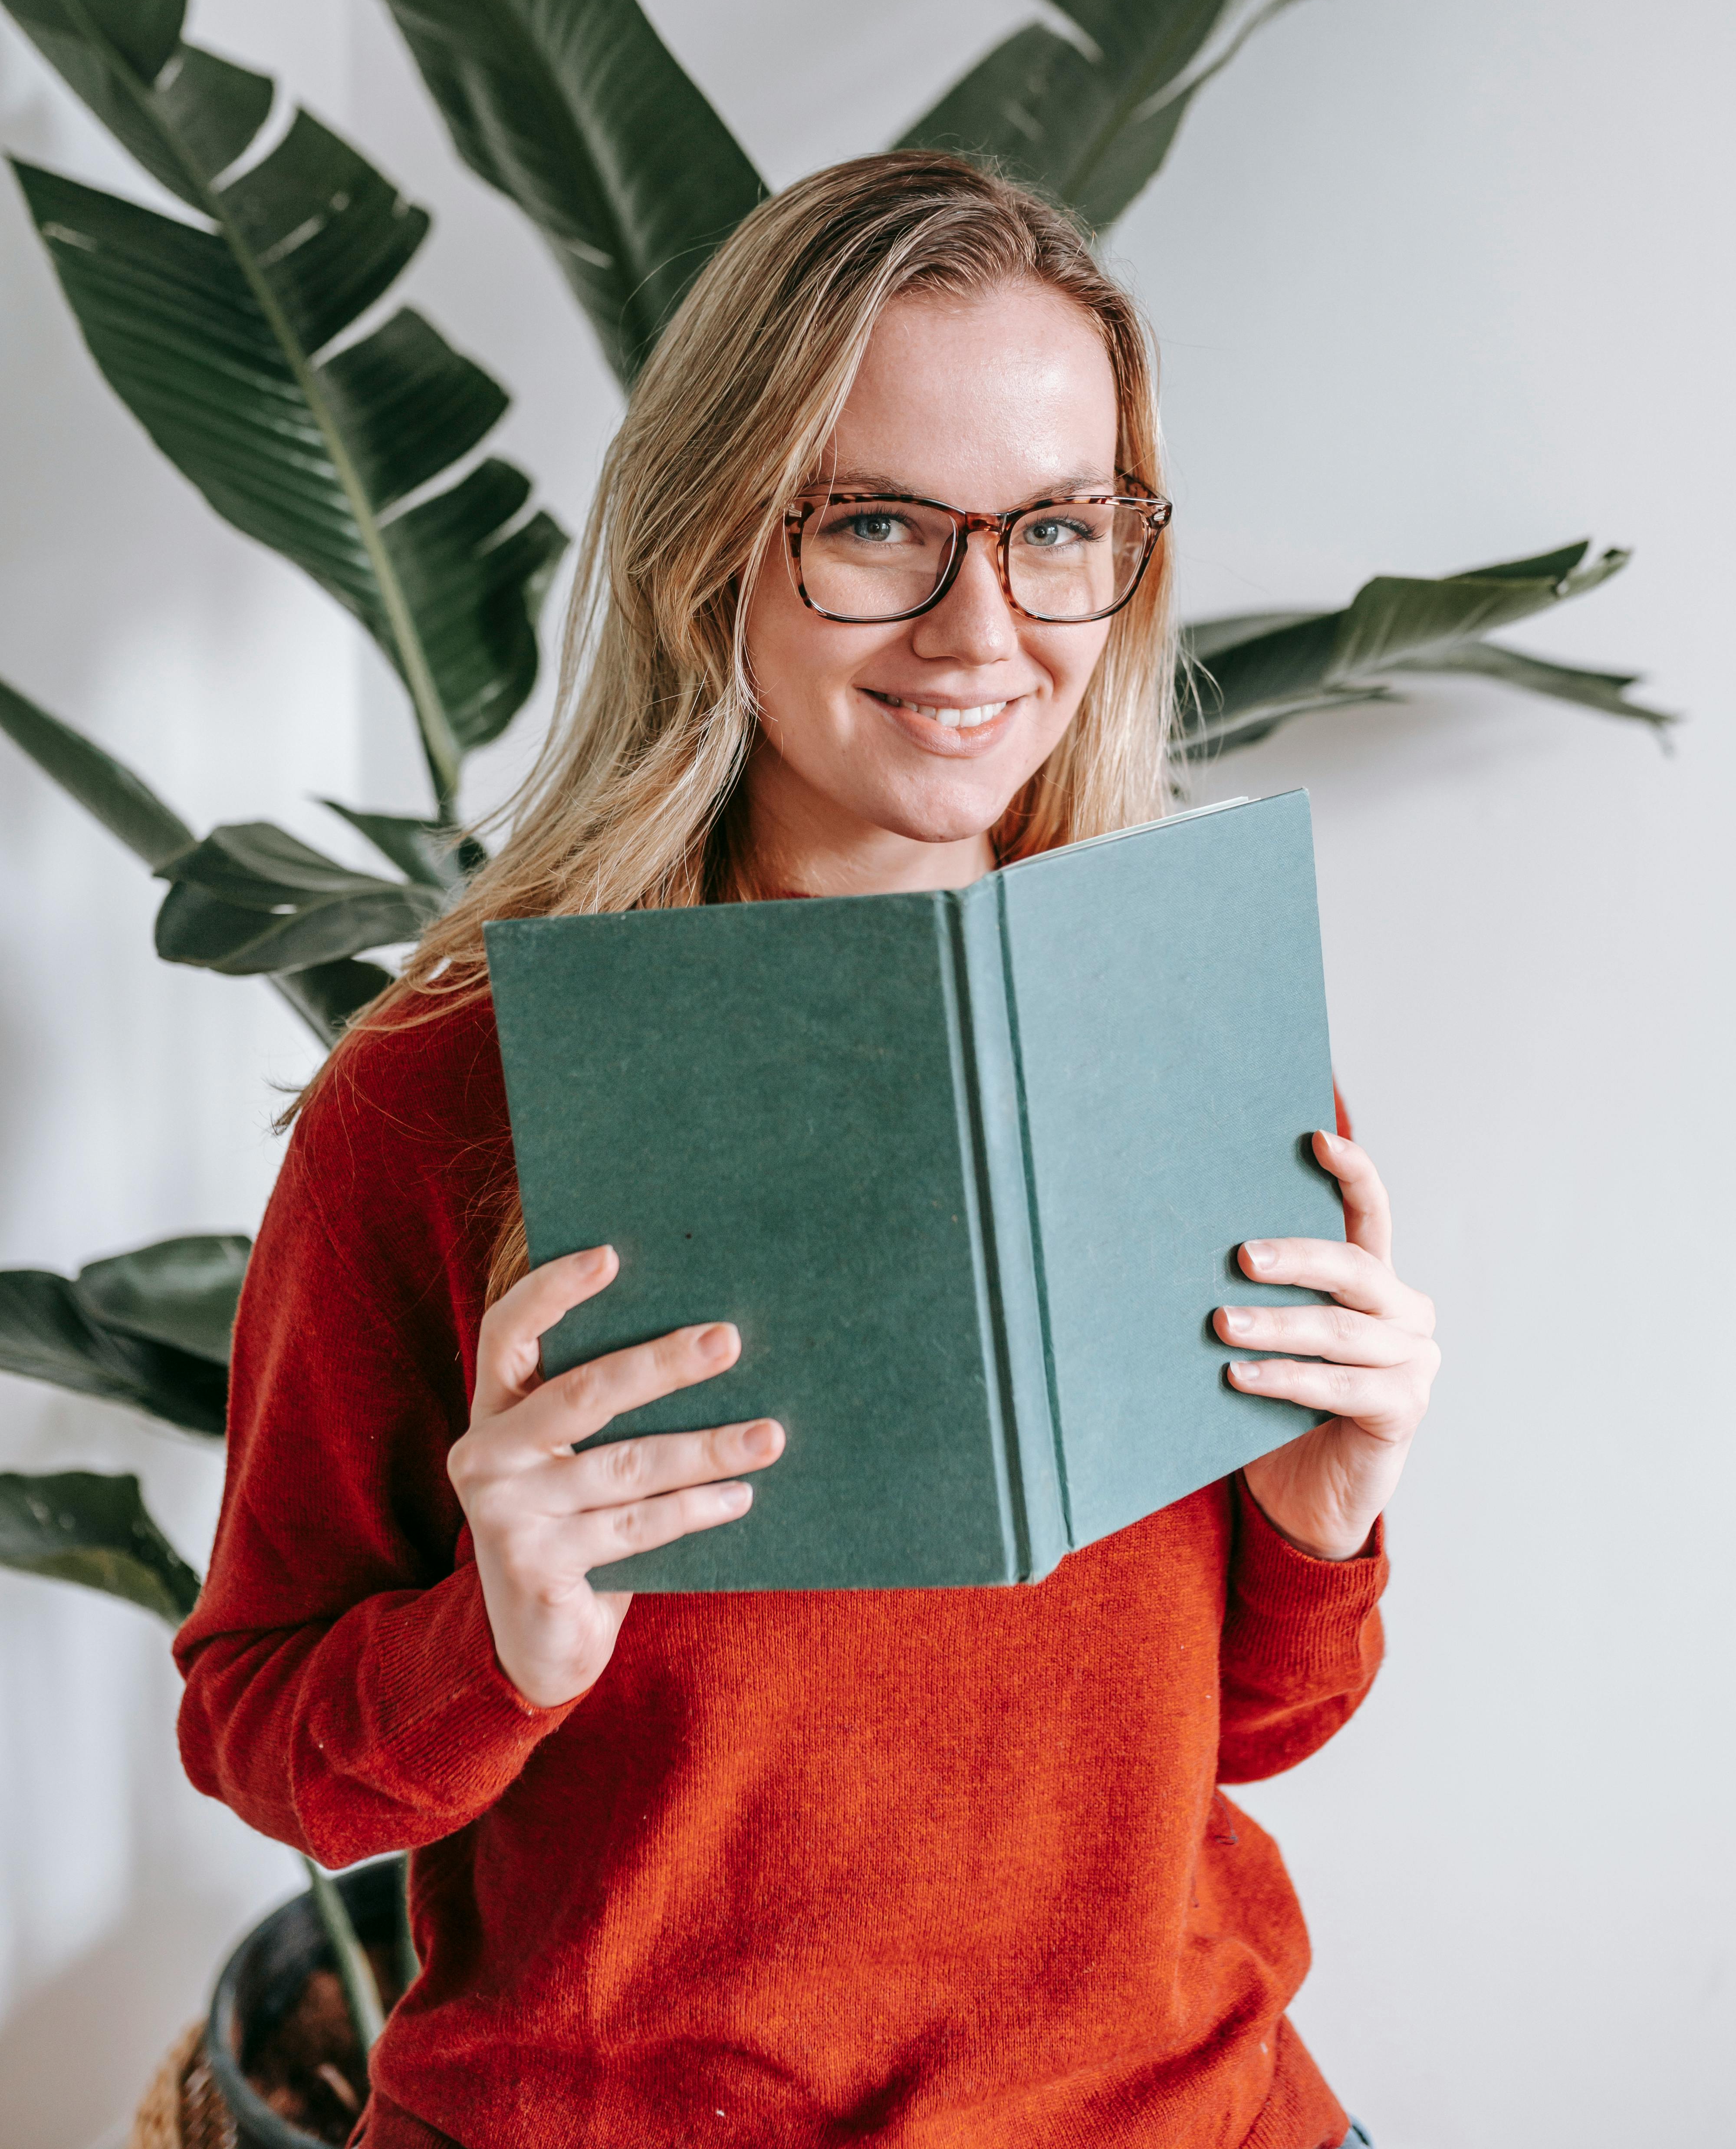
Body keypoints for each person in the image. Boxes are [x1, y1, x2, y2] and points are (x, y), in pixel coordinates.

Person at [178, 153, 1439, 2149]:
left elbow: (1249, 1743)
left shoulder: (1178, 1029)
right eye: (874, 525)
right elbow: (263, 1733)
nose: (980, 629)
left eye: (1056, 529)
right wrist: (490, 1644)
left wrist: (1318, 1518)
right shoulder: (442, 1098)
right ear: (714, 547)